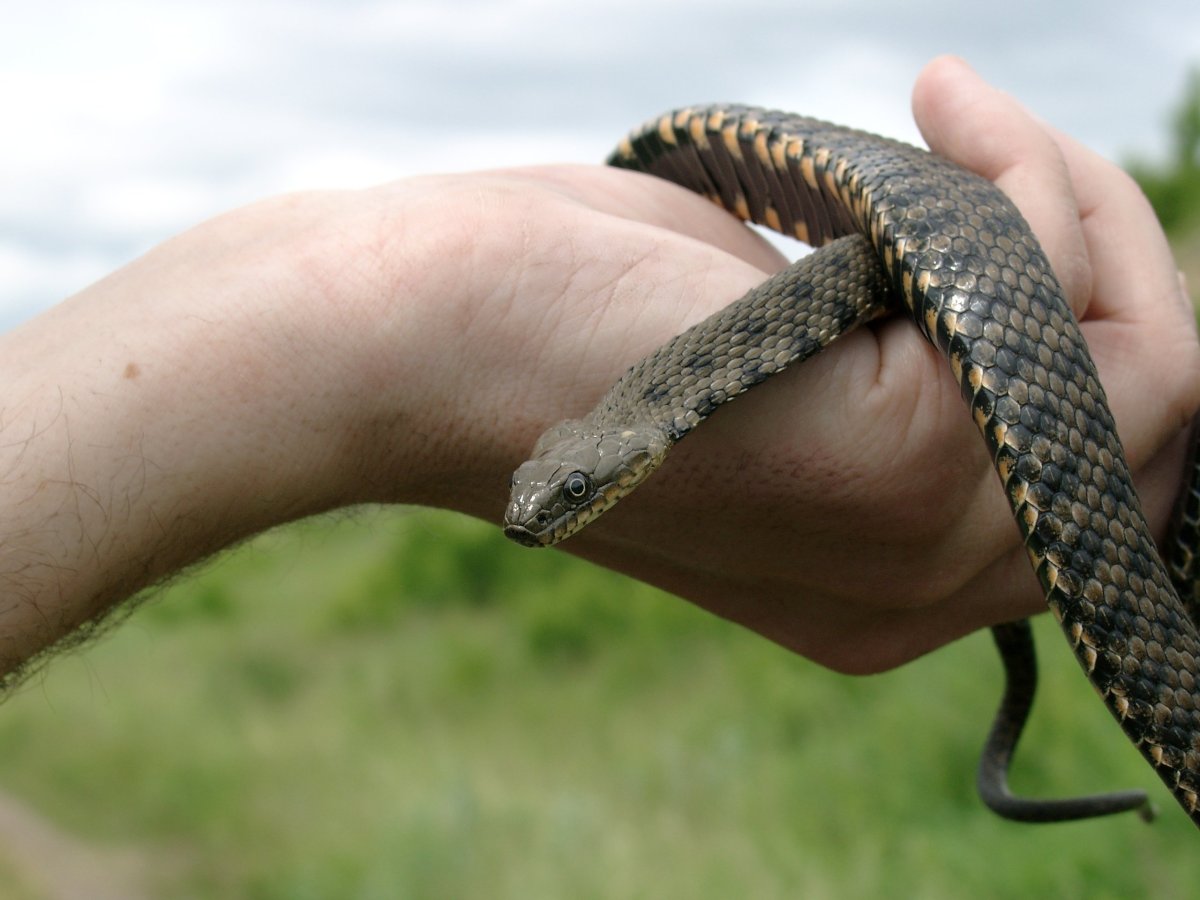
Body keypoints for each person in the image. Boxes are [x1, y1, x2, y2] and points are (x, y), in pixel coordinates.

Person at [0, 56, 1195, 690]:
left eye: (567, 495)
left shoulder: (695, 370)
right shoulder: (659, 393)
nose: (546, 515)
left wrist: (386, 297)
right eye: (560, 493)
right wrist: (373, 308)